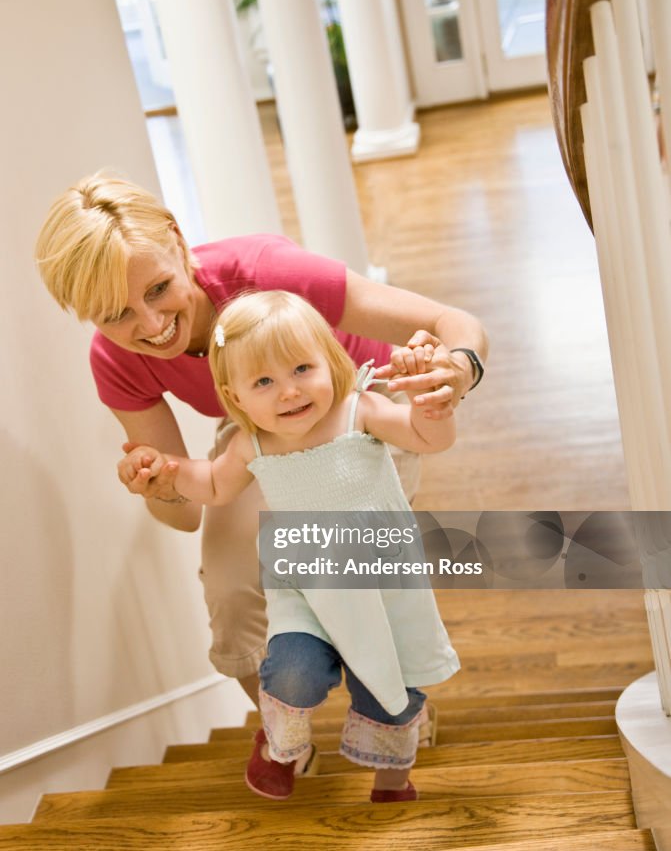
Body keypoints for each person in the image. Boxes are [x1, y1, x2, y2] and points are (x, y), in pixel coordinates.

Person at [34, 174, 487, 714]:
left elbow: (449, 321)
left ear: (177, 241)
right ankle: (280, 733)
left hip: (356, 407)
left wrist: (459, 368)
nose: (152, 324)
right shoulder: (115, 361)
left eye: (158, 289)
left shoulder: (268, 273)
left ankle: (396, 710)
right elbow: (182, 516)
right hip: (257, 426)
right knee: (228, 588)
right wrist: (159, 480)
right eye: (117, 314)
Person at [118, 290, 461, 802]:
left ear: (331, 361)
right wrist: (161, 469)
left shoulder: (357, 412)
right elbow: (212, 484)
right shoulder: (252, 443)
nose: (288, 393)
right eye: (263, 382)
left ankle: (392, 780)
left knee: (388, 688)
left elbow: (428, 438)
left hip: (379, 585)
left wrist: (431, 408)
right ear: (236, 399)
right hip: (304, 590)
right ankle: (283, 747)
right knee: (292, 669)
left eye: (302, 368)